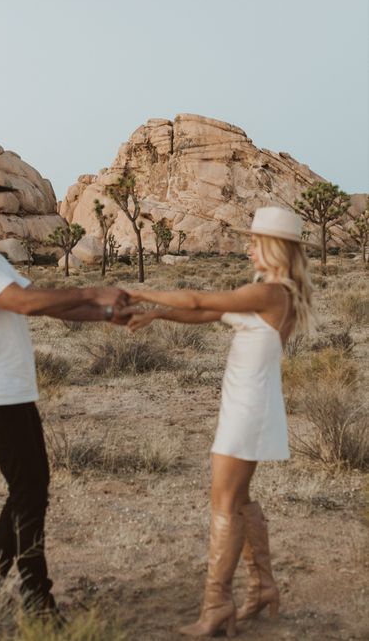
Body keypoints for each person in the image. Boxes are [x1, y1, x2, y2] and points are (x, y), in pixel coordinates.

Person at [0, 161, 129, 623]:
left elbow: (48, 305)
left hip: (10, 387)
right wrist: (96, 292)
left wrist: (109, 316)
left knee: (29, 488)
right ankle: (36, 599)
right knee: (30, 489)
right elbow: (25, 304)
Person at [125, 206, 315, 638]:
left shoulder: (274, 293)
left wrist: (142, 293)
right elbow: (206, 313)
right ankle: (263, 586)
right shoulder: (265, 290)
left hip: (248, 408)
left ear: (274, 248)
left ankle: (217, 606)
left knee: (224, 503)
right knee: (239, 498)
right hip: (245, 403)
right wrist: (157, 315)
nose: (248, 249)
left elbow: (198, 300)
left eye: (254, 242)